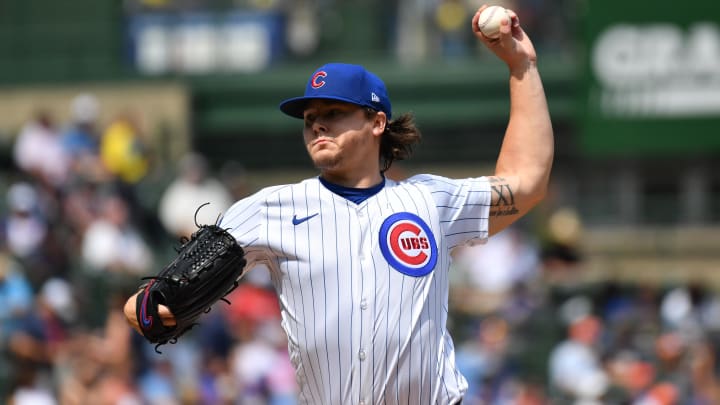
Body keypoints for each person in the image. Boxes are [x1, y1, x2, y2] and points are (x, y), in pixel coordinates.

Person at [124, 4, 553, 404]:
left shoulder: (430, 201)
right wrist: (148, 305)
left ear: (376, 122)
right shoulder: (268, 209)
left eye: (334, 112)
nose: (318, 125)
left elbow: (526, 183)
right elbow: (152, 299)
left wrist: (522, 67)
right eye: (310, 118)